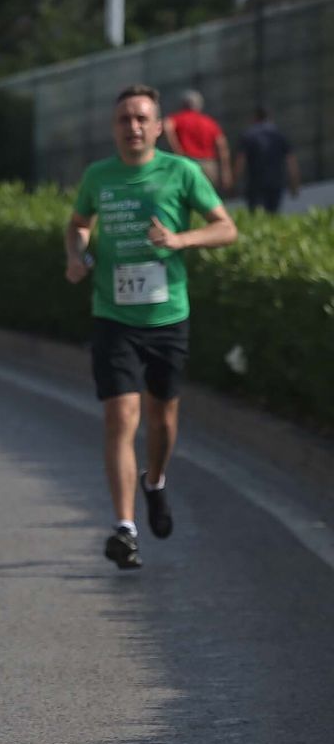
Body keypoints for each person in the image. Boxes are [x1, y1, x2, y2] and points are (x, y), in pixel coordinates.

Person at [65, 84, 237, 570]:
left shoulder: (181, 172)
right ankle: (125, 527)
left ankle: (155, 481)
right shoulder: (99, 175)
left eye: (142, 118)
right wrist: (75, 254)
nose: (133, 127)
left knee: (162, 420)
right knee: (121, 417)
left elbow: (227, 227)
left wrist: (180, 239)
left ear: (159, 127)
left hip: (167, 317)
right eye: (125, 119)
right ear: (114, 127)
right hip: (113, 316)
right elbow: (78, 223)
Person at [234, 107, 301, 214]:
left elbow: (240, 161)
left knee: (255, 217)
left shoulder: (248, 136)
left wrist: (235, 182)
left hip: (255, 184)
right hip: (275, 182)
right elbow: (291, 162)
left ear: (254, 118)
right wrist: (294, 184)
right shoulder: (279, 135)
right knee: (273, 215)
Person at [164, 90, 231, 195]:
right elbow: (222, 146)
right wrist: (225, 171)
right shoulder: (209, 122)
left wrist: (177, 151)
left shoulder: (177, 118)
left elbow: (167, 127)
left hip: (188, 163)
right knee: (208, 199)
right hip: (209, 165)